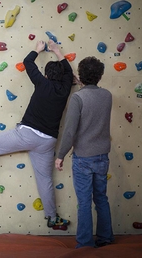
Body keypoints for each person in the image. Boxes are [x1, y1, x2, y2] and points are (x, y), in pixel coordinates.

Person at [0, 40, 74, 228]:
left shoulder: (42, 83)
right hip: (48, 142)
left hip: (27, 134)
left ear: (46, 74)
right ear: (63, 78)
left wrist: (37, 50)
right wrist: (57, 51)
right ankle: (52, 218)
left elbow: (28, 63)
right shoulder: (65, 89)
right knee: (45, 179)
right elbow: (68, 73)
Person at [55, 56, 114, 248]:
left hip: (83, 158)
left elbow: (70, 131)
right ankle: (105, 238)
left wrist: (61, 154)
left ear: (80, 75)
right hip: (102, 156)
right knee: (101, 199)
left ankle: (85, 244)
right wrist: (85, 82)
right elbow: (93, 98)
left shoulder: (78, 98)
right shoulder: (107, 96)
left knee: (84, 202)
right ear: (100, 75)